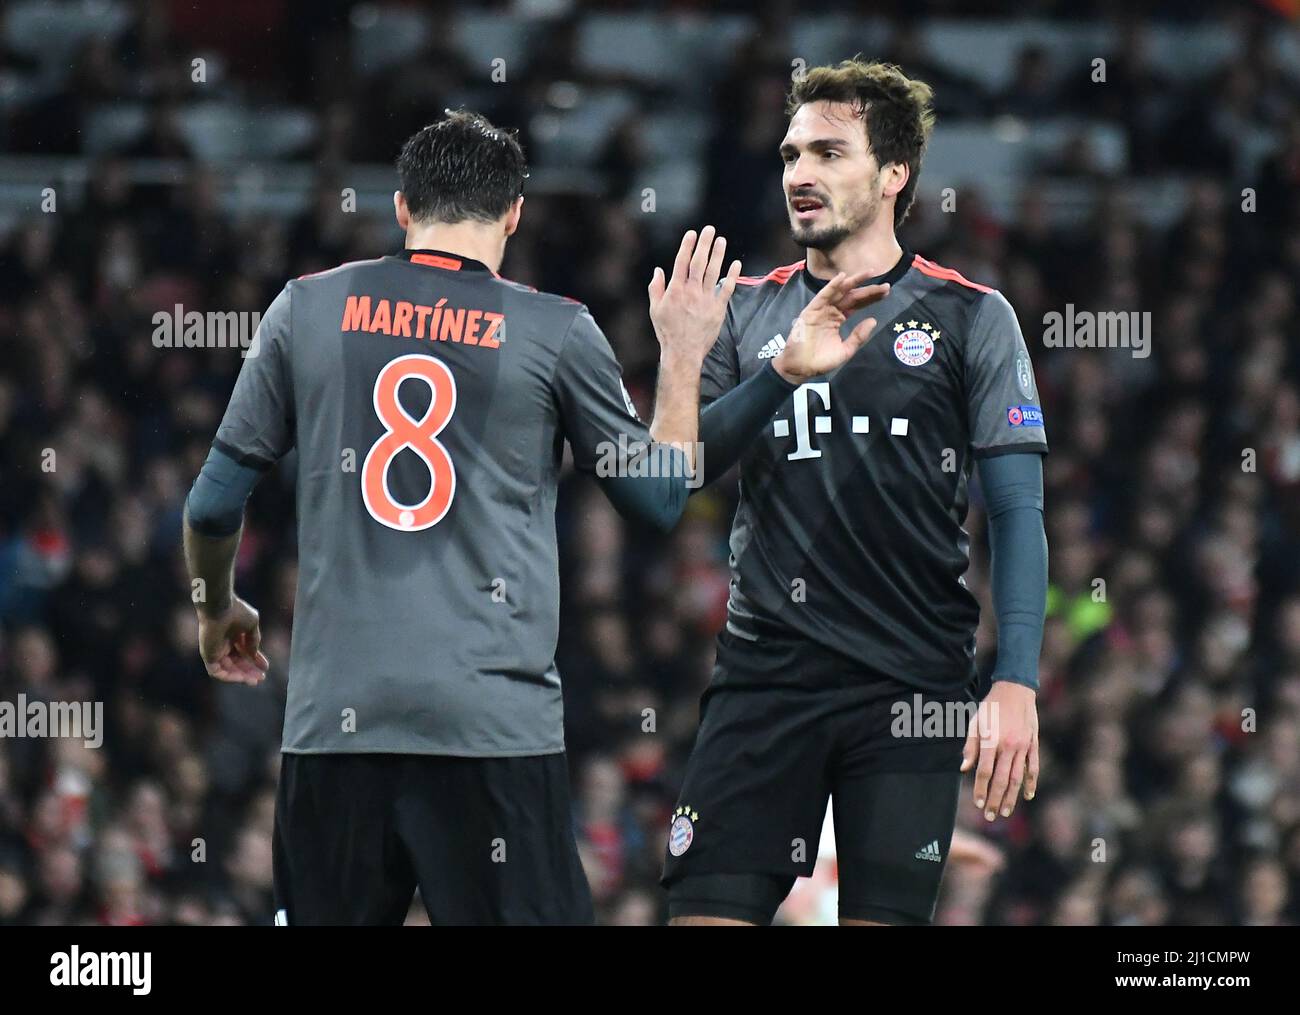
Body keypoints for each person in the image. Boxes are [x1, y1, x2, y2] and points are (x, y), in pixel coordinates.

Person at [183, 110, 743, 925]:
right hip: (490, 730)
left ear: (403, 208)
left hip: (337, 727)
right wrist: (685, 353)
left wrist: (216, 608)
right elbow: (660, 497)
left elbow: (210, 501)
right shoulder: (555, 329)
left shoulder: (304, 308)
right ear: (515, 213)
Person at [662, 59, 1049, 926]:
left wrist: (1016, 681)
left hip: (912, 683)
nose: (800, 173)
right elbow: (682, 472)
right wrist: (718, 365)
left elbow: (1019, 514)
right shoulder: (744, 310)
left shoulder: (971, 315)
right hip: (766, 675)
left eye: (830, 153)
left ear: (892, 174)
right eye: (793, 152)